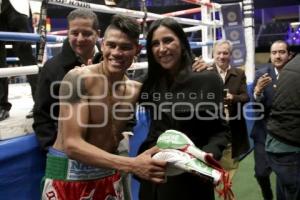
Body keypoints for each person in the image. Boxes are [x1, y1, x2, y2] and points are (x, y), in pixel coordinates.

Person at [41, 14, 167, 200]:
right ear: (102, 44)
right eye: (112, 45)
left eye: (125, 47)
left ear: (137, 50)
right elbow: (72, 145)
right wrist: (133, 165)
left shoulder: (135, 90)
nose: (117, 52)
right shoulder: (79, 78)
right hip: (68, 176)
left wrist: (196, 67)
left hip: (108, 176)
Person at [137, 17, 229, 200]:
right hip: (153, 178)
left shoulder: (207, 79)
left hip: (191, 182)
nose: (162, 49)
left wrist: (207, 156)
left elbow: (220, 131)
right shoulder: (149, 82)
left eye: (168, 40)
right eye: (155, 43)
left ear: (182, 42)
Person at [33, 8, 102, 151]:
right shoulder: (52, 68)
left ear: (98, 34)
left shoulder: (110, 63)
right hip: (66, 151)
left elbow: (122, 102)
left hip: (105, 146)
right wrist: (52, 150)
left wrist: (124, 133)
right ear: (68, 33)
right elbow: (42, 114)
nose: (80, 38)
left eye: (87, 33)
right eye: (75, 33)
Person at [251, 40, 292, 200]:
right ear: (270, 55)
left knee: (286, 178)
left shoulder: (295, 75)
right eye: (274, 52)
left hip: (288, 136)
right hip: (264, 134)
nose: (278, 56)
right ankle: (268, 197)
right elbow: (256, 107)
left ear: (289, 55)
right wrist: (258, 92)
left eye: (282, 52)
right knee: (261, 174)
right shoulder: (261, 74)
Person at [208, 40, 250, 181]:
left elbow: (245, 97)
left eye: (225, 53)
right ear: (213, 55)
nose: (221, 56)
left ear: (230, 55)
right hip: (210, 129)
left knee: (229, 169)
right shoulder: (206, 74)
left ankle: (226, 191)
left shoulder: (239, 74)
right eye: (218, 53)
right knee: (210, 169)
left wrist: (233, 98)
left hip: (232, 129)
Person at [266, 53, 300, 200]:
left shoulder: (292, 66)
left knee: (285, 190)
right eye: (274, 52)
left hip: (280, 142)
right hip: (289, 144)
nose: (278, 56)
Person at [0, 0, 40, 121]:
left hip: (17, 7)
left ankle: (40, 104)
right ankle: (2, 107)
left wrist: (36, 10)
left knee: (25, 54)